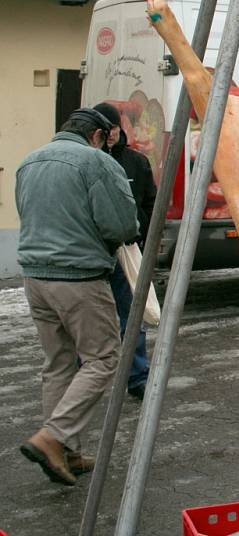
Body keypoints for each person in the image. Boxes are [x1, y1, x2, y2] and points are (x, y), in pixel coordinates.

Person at [16, 107, 138, 485]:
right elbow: (121, 224)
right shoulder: (95, 162)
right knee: (103, 357)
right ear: (99, 136)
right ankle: (53, 438)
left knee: (59, 364)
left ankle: (65, 453)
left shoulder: (29, 162)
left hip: (36, 277)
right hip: (79, 277)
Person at [94, 102, 157, 401]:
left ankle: (137, 377)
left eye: (116, 128)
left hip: (127, 250)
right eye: (107, 129)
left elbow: (150, 202)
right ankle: (88, 377)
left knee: (131, 315)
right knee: (91, 318)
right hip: (94, 252)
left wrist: (140, 233)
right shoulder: (88, 160)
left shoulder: (136, 162)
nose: (112, 134)